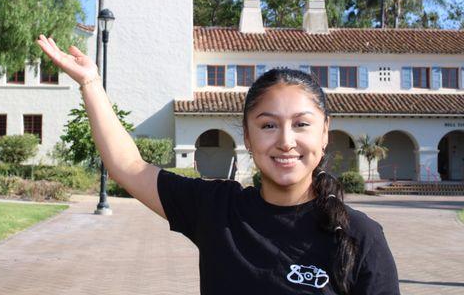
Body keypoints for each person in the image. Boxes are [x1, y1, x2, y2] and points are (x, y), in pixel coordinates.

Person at [36, 35, 400, 295]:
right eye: (268, 125)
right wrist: (91, 84)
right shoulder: (218, 211)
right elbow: (128, 167)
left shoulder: (360, 236)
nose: (286, 141)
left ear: (324, 134)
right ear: (247, 136)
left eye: (302, 124)